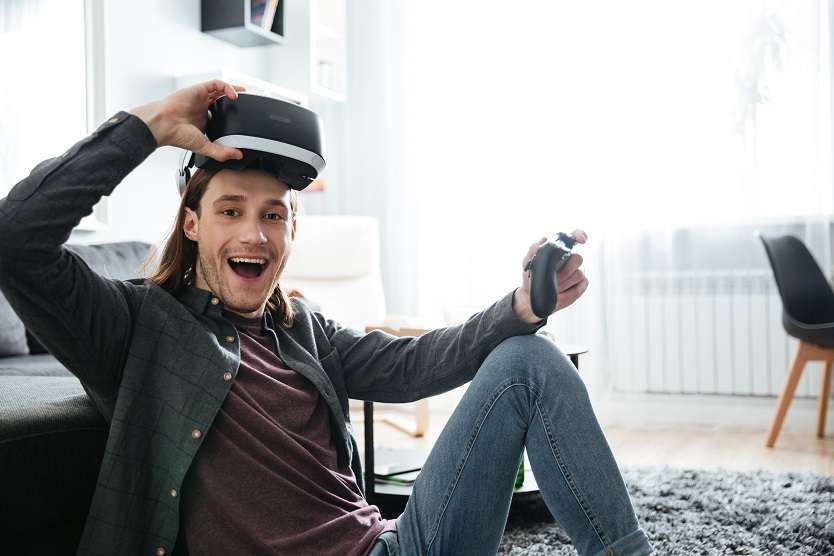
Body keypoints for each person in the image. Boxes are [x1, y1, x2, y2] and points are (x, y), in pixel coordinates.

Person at [0, 80, 652, 556]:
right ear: (193, 224)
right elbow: (17, 237)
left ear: (290, 229)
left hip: (390, 549)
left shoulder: (303, 328)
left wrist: (522, 307)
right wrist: (148, 125)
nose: (254, 234)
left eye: (273, 214)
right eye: (231, 211)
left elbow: (411, 362)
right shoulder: (134, 326)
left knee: (527, 359)